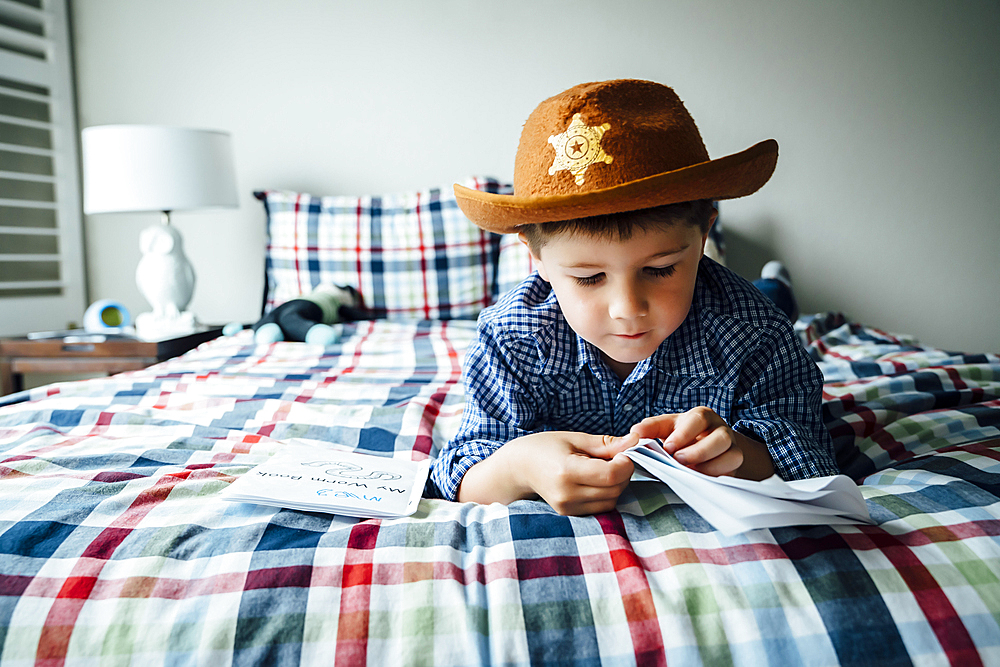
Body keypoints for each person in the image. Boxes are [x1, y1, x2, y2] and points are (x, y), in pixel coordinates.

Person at [428, 79, 838, 516]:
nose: (627, 308)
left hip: (739, 302)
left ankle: (775, 287)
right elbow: (458, 472)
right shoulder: (511, 337)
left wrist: (740, 454)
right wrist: (520, 468)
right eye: (588, 277)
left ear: (702, 237)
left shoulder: (756, 332)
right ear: (538, 260)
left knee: (769, 300)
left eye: (660, 269)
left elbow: (810, 462)